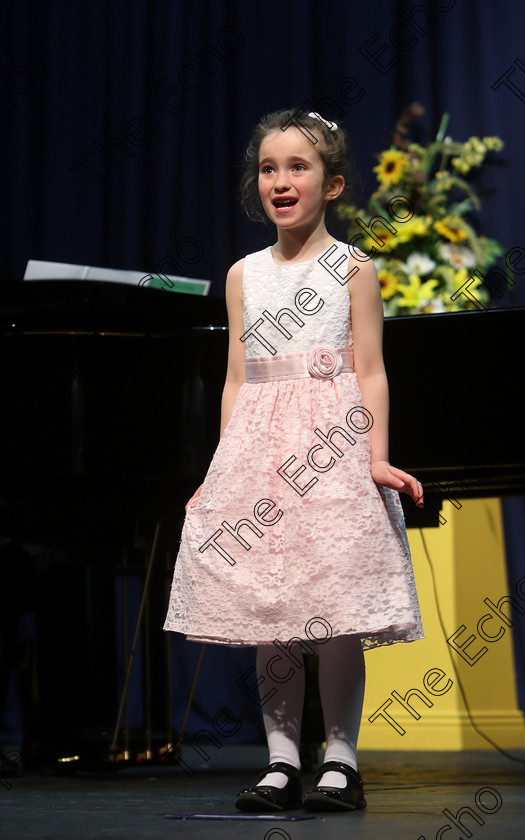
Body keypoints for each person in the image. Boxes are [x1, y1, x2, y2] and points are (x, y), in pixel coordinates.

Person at [164, 108, 425, 813]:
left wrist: (376, 457)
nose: (281, 180)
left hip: (332, 446)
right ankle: (281, 762)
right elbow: (236, 378)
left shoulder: (353, 267)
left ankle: (340, 761)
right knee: (272, 609)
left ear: (333, 184)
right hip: (261, 451)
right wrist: (220, 471)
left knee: (333, 609)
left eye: (298, 167)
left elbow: (370, 371)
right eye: (268, 168)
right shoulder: (244, 274)